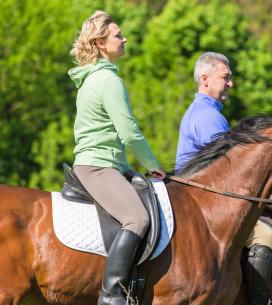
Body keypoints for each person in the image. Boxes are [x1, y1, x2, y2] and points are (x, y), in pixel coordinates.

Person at [68, 11, 166, 305]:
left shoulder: (91, 79)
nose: (124, 39)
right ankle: (111, 295)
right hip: (97, 167)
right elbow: (129, 133)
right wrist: (153, 165)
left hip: (109, 164)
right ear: (100, 43)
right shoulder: (108, 81)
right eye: (117, 35)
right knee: (137, 219)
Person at [175, 52, 272, 305]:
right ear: (205, 79)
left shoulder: (208, 112)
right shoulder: (208, 117)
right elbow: (232, 174)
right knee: (265, 236)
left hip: (202, 200)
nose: (231, 83)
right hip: (206, 205)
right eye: (226, 77)